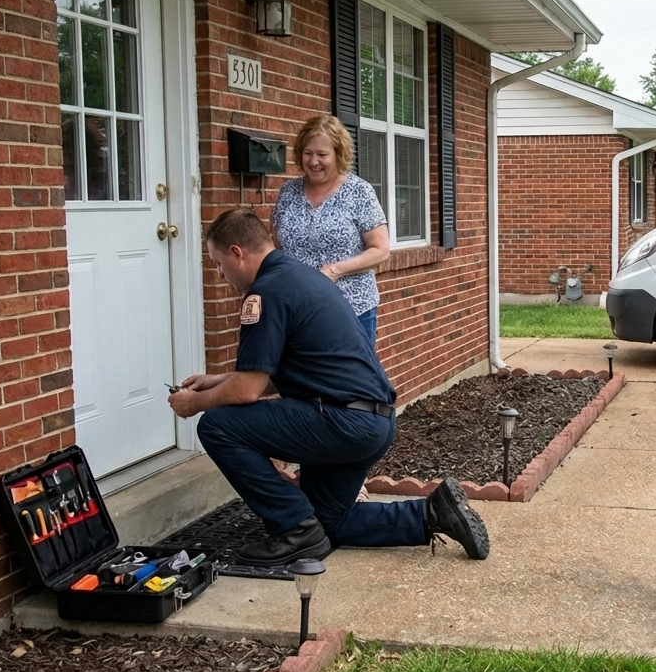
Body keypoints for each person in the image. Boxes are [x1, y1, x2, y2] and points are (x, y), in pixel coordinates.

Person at [169, 208, 488, 566]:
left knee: (216, 425)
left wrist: (194, 404)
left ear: (237, 252)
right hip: (374, 422)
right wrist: (218, 380)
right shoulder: (301, 277)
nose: (219, 273)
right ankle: (433, 513)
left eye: (218, 262)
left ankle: (293, 528)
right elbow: (279, 374)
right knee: (328, 522)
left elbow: (247, 391)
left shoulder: (264, 293)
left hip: (340, 422)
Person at [272, 114, 389, 344]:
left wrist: (335, 270)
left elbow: (381, 250)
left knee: (351, 379)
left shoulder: (359, 192)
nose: (314, 161)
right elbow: (277, 245)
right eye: (308, 153)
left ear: (339, 155)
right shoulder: (288, 192)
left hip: (350, 309)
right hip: (298, 310)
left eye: (322, 154)